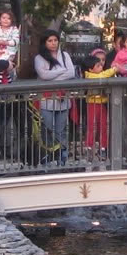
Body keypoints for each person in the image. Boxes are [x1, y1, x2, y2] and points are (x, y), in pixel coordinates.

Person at [33, 31, 77, 166]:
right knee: (47, 129)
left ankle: (62, 158)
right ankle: (47, 158)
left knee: (61, 130)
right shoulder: (39, 58)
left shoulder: (64, 55)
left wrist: (53, 75)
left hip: (63, 99)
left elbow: (71, 73)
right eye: (50, 41)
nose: (53, 43)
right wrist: (61, 70)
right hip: (46, 100)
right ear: (45, 43)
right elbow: (43, 75)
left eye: (55, 40)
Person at [82, 46, 117, 156]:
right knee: (92, 126)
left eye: (101, 64)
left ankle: (103, 147)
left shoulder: (99, 73)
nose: (101, 66)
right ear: (90, 69)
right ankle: (89, 146)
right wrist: (115, 69)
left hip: (102, 103)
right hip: (92, 104)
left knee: (103, 126)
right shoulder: (90, 76)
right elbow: (103, 75)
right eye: (98, 66)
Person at [0, 9, 20, 84]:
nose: (6, 20)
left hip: (9, 51)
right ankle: (9, 82)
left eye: (8, 18)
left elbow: (15, 42)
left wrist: (5, 42)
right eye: (4, 18)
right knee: (3, 68)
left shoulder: (14, 29)